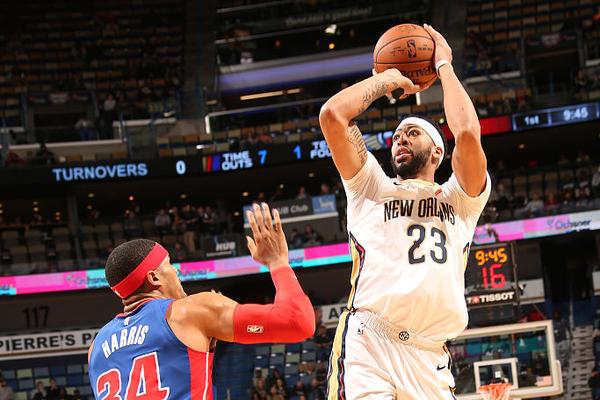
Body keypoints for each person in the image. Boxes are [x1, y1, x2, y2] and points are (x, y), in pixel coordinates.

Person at [319, 24, 490, 399]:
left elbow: (467, 134)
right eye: (396, 136)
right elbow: (332, 116)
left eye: (412, 133)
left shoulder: (460, 199)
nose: (400, 139)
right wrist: (385, 80)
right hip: (369, 342)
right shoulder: (370, 187)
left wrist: (443, 65)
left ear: (437, 152)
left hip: (430, 356)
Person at [88, 203, 315, 399]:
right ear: (154, 278)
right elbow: (298, 322)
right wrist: (278, 263)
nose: (176, 272)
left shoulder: (96, 347)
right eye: (169, 265)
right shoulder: (186, 312)